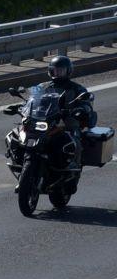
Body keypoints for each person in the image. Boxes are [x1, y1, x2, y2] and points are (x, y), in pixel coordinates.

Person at [40, 55, 96, 186]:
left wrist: (83, 108)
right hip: (48, 121)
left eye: (61, 70)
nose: (58, 73)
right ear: (50, 71)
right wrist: (23, 106)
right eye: (55, 70)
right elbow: (33, 100)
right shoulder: (44, 87)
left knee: (74, 138)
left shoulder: (77, 88)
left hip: (68, 122)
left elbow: (86, 102)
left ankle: (74, 167)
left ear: (68, 71)